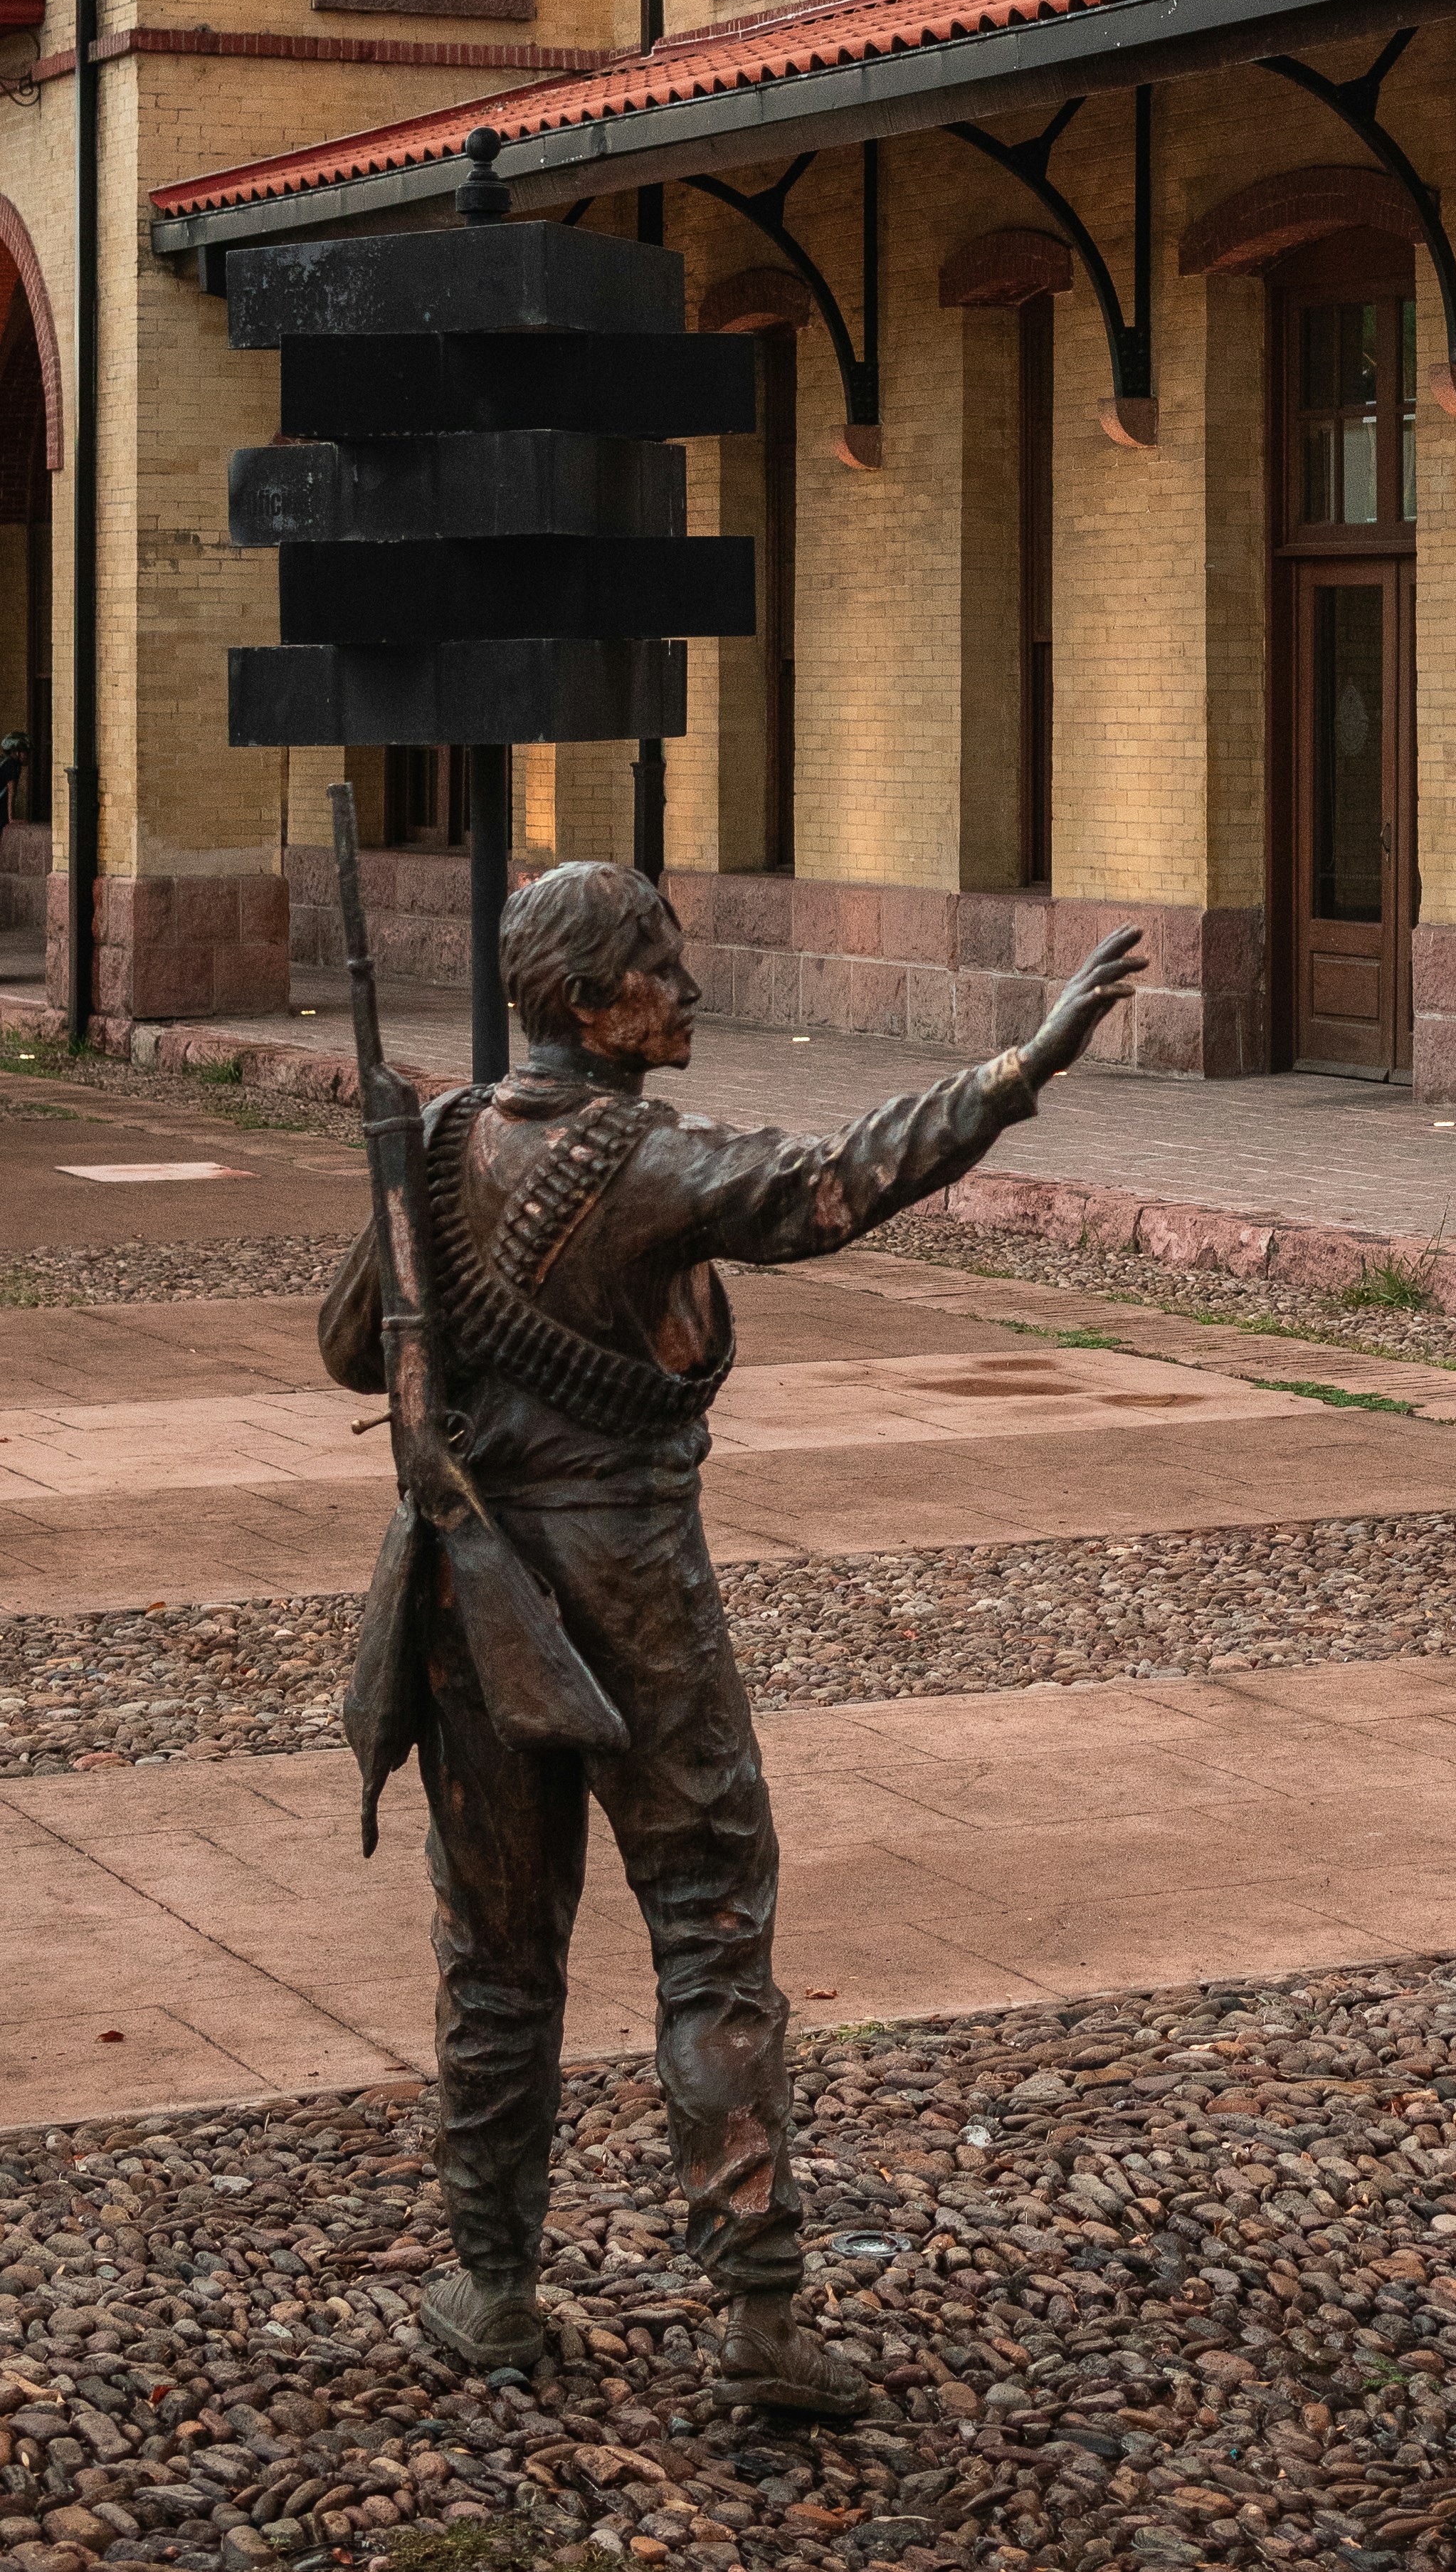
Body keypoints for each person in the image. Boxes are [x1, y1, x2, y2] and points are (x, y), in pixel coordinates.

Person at [318, 861, 1144, 2416]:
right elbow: (839, 1179)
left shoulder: (434, 1147)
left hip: (472, 1584)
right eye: (660, 970)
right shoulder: (655, 1160)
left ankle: (492, 2283)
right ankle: (756, 2307)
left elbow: (347, 1343)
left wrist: (401, 1223)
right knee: (708, 1925)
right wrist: (1017, 1071)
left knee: (495, 1955)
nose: (686, 995)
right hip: (631, 1587)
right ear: (584, 1002)